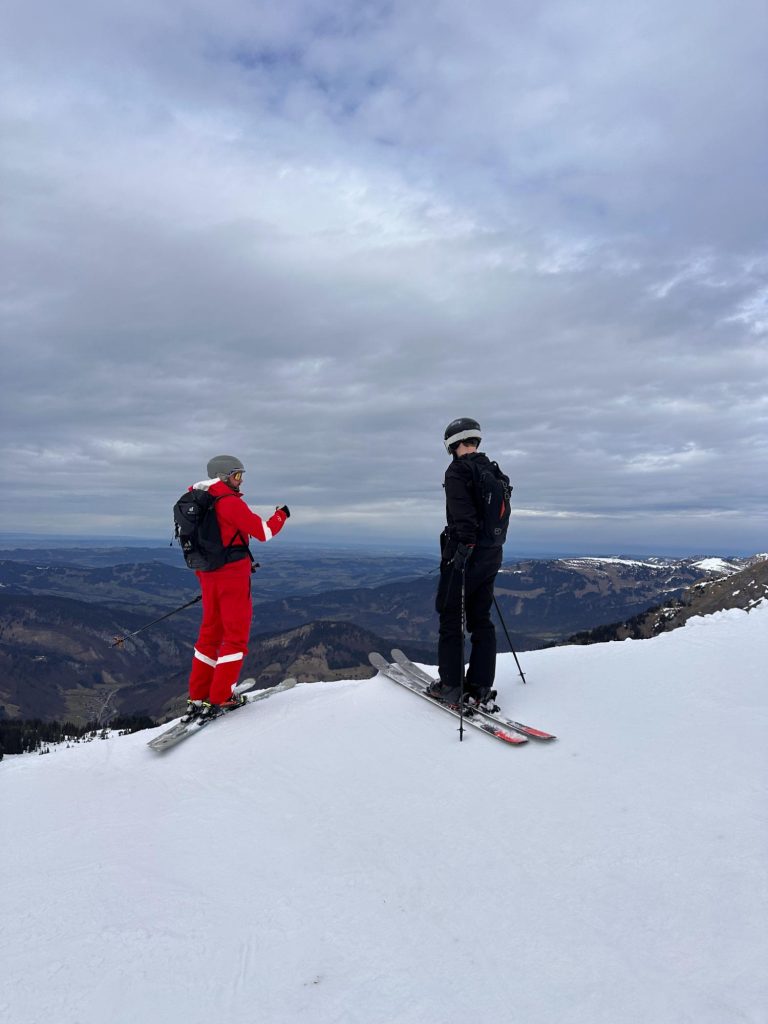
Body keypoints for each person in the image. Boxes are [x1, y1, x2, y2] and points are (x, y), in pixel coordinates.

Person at [186, 455, 290, 716]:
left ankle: (198, 696)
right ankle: (222, 696)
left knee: (209, 634)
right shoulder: (227, 502)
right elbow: (264, 532)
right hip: (231, 577)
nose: (240, 481)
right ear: (223, 476)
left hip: (207, 574)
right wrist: (282, 514)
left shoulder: (197, 500)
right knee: (235, 638)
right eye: (237, 475)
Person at [427, 418, 504, 708]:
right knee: (480, 618)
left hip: (464, 556)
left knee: (450, 617)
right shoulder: (492, 470)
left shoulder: (458, 471)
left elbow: (464, 520)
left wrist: (462, 551)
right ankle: (481, 684)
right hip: (492, 555)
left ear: (453, 443)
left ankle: (450, 686)